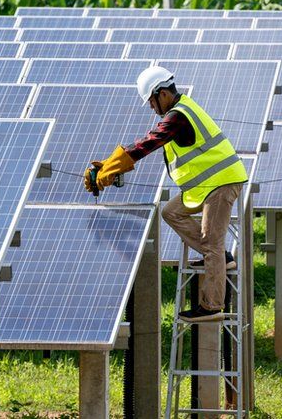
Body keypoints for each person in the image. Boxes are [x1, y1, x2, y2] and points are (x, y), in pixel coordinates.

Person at [84, 66, 247, 322]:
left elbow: (148, 143)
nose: (151, 107)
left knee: (212, 241)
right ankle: (217, 257)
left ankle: (212, 304)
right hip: (207, 186)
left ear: (161, 93)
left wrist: (113, 166)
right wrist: (108, 164)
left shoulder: (178, 117)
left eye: (151, 100)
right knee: (171, 212)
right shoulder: (181, 109)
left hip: (222, 183)